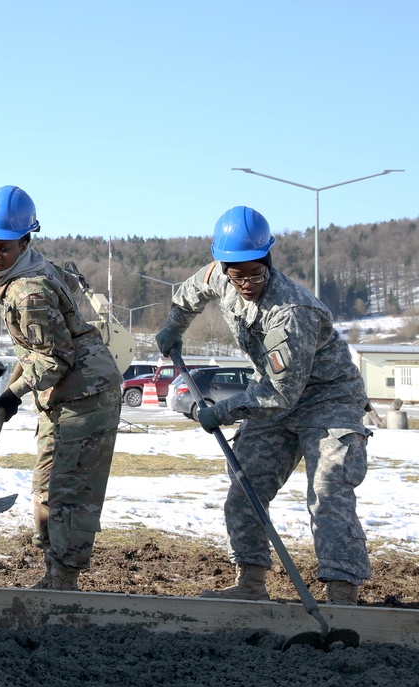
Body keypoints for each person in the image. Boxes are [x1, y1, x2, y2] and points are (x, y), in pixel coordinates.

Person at [155, 206, 370, 605]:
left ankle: (342, 597)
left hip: (328, 399)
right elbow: (188, 295)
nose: (246, 283)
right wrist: (173, 328)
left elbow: (278, 393)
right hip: (273, 394)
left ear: (267, 261)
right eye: (237, 276)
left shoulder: (290, 312)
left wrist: (219, 412)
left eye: (255, 273)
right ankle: (250, 583)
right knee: (245, 489)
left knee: (328, 493)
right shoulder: (221, 275)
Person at [0, 185, 123, 591]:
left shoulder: (29, 289)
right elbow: (39, 351)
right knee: (45, 483)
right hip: (60, 393)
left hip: (86, 395)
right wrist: (20, 381)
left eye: (3, 247)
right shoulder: (25, 272)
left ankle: (64, 581)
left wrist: (15, 392)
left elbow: (56, 357)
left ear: (24, 242)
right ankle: (52, 570)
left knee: (70, 488)